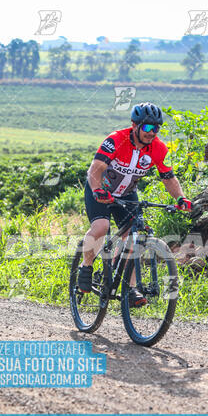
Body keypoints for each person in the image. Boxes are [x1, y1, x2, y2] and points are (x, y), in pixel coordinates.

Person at [78, 102, 192, 307]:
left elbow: (168, 177)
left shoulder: (158, 148)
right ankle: (86, 267)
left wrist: (180, 198)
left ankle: (130, 288)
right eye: (147, 127)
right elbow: (96, 168)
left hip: (127, 194)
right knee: (101, 227)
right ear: (134, 125)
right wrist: (97, 190)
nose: (152, 132)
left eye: (156, 128)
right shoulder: (115, 140)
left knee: (133, 237)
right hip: (100, 190)